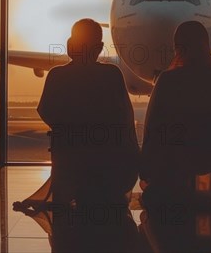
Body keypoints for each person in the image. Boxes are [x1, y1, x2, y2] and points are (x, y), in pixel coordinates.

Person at [35, 18, 139, 205]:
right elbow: (124, 117)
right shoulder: (112, 75)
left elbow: (44, 110)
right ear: (99, 48)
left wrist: (66, 128)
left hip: (67, 164)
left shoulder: (57, 75)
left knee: (65, 223)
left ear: (70, 45)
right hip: (106, 168)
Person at [140, 21, 211, 204]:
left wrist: (145, 169)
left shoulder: (167, 81)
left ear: (178, 48)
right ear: (206, 45)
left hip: (172, 179)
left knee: (150, 197)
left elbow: (152, 129)